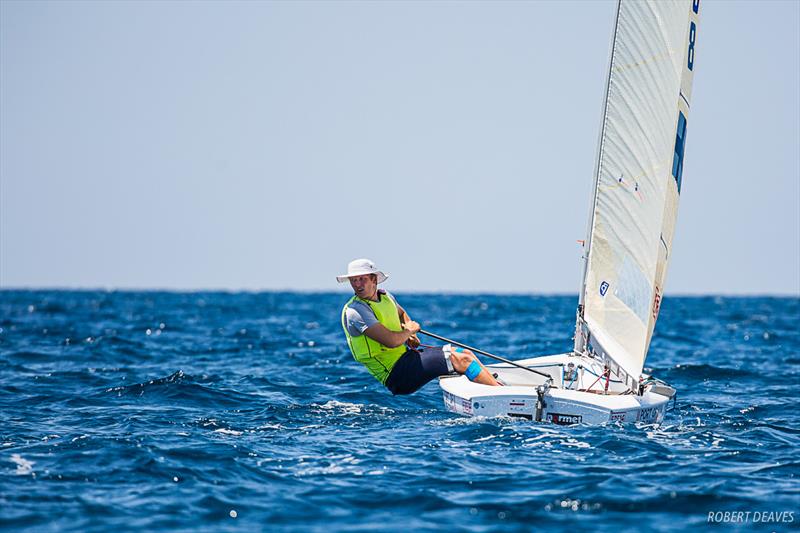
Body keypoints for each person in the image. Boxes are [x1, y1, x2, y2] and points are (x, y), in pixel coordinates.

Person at [337, 258, 500, 394]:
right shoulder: (356, 311)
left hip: (406, 359)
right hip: (396, 375)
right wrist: (410, 330)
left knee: (463, 352)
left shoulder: (385, 297)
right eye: (354, 280)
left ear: (374, 279)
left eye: (362, 279)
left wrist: (411, 334)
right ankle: (501, 395)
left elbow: (401, 314)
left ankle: (495, 387)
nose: (358, 284)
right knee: (462, 360)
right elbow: (391, 341)